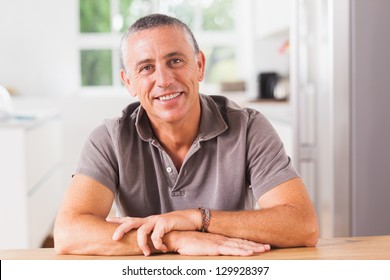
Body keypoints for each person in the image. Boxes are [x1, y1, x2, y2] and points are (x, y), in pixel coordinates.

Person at [54, 14, 319, 257]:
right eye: (146, 68)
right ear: (129, 82)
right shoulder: (109, 138)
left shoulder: (249, 128)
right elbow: (68, 233)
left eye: (176, 61)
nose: (164, 79)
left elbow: (302, 225)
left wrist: (198, 219)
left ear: (200, 65)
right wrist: (176, 239)